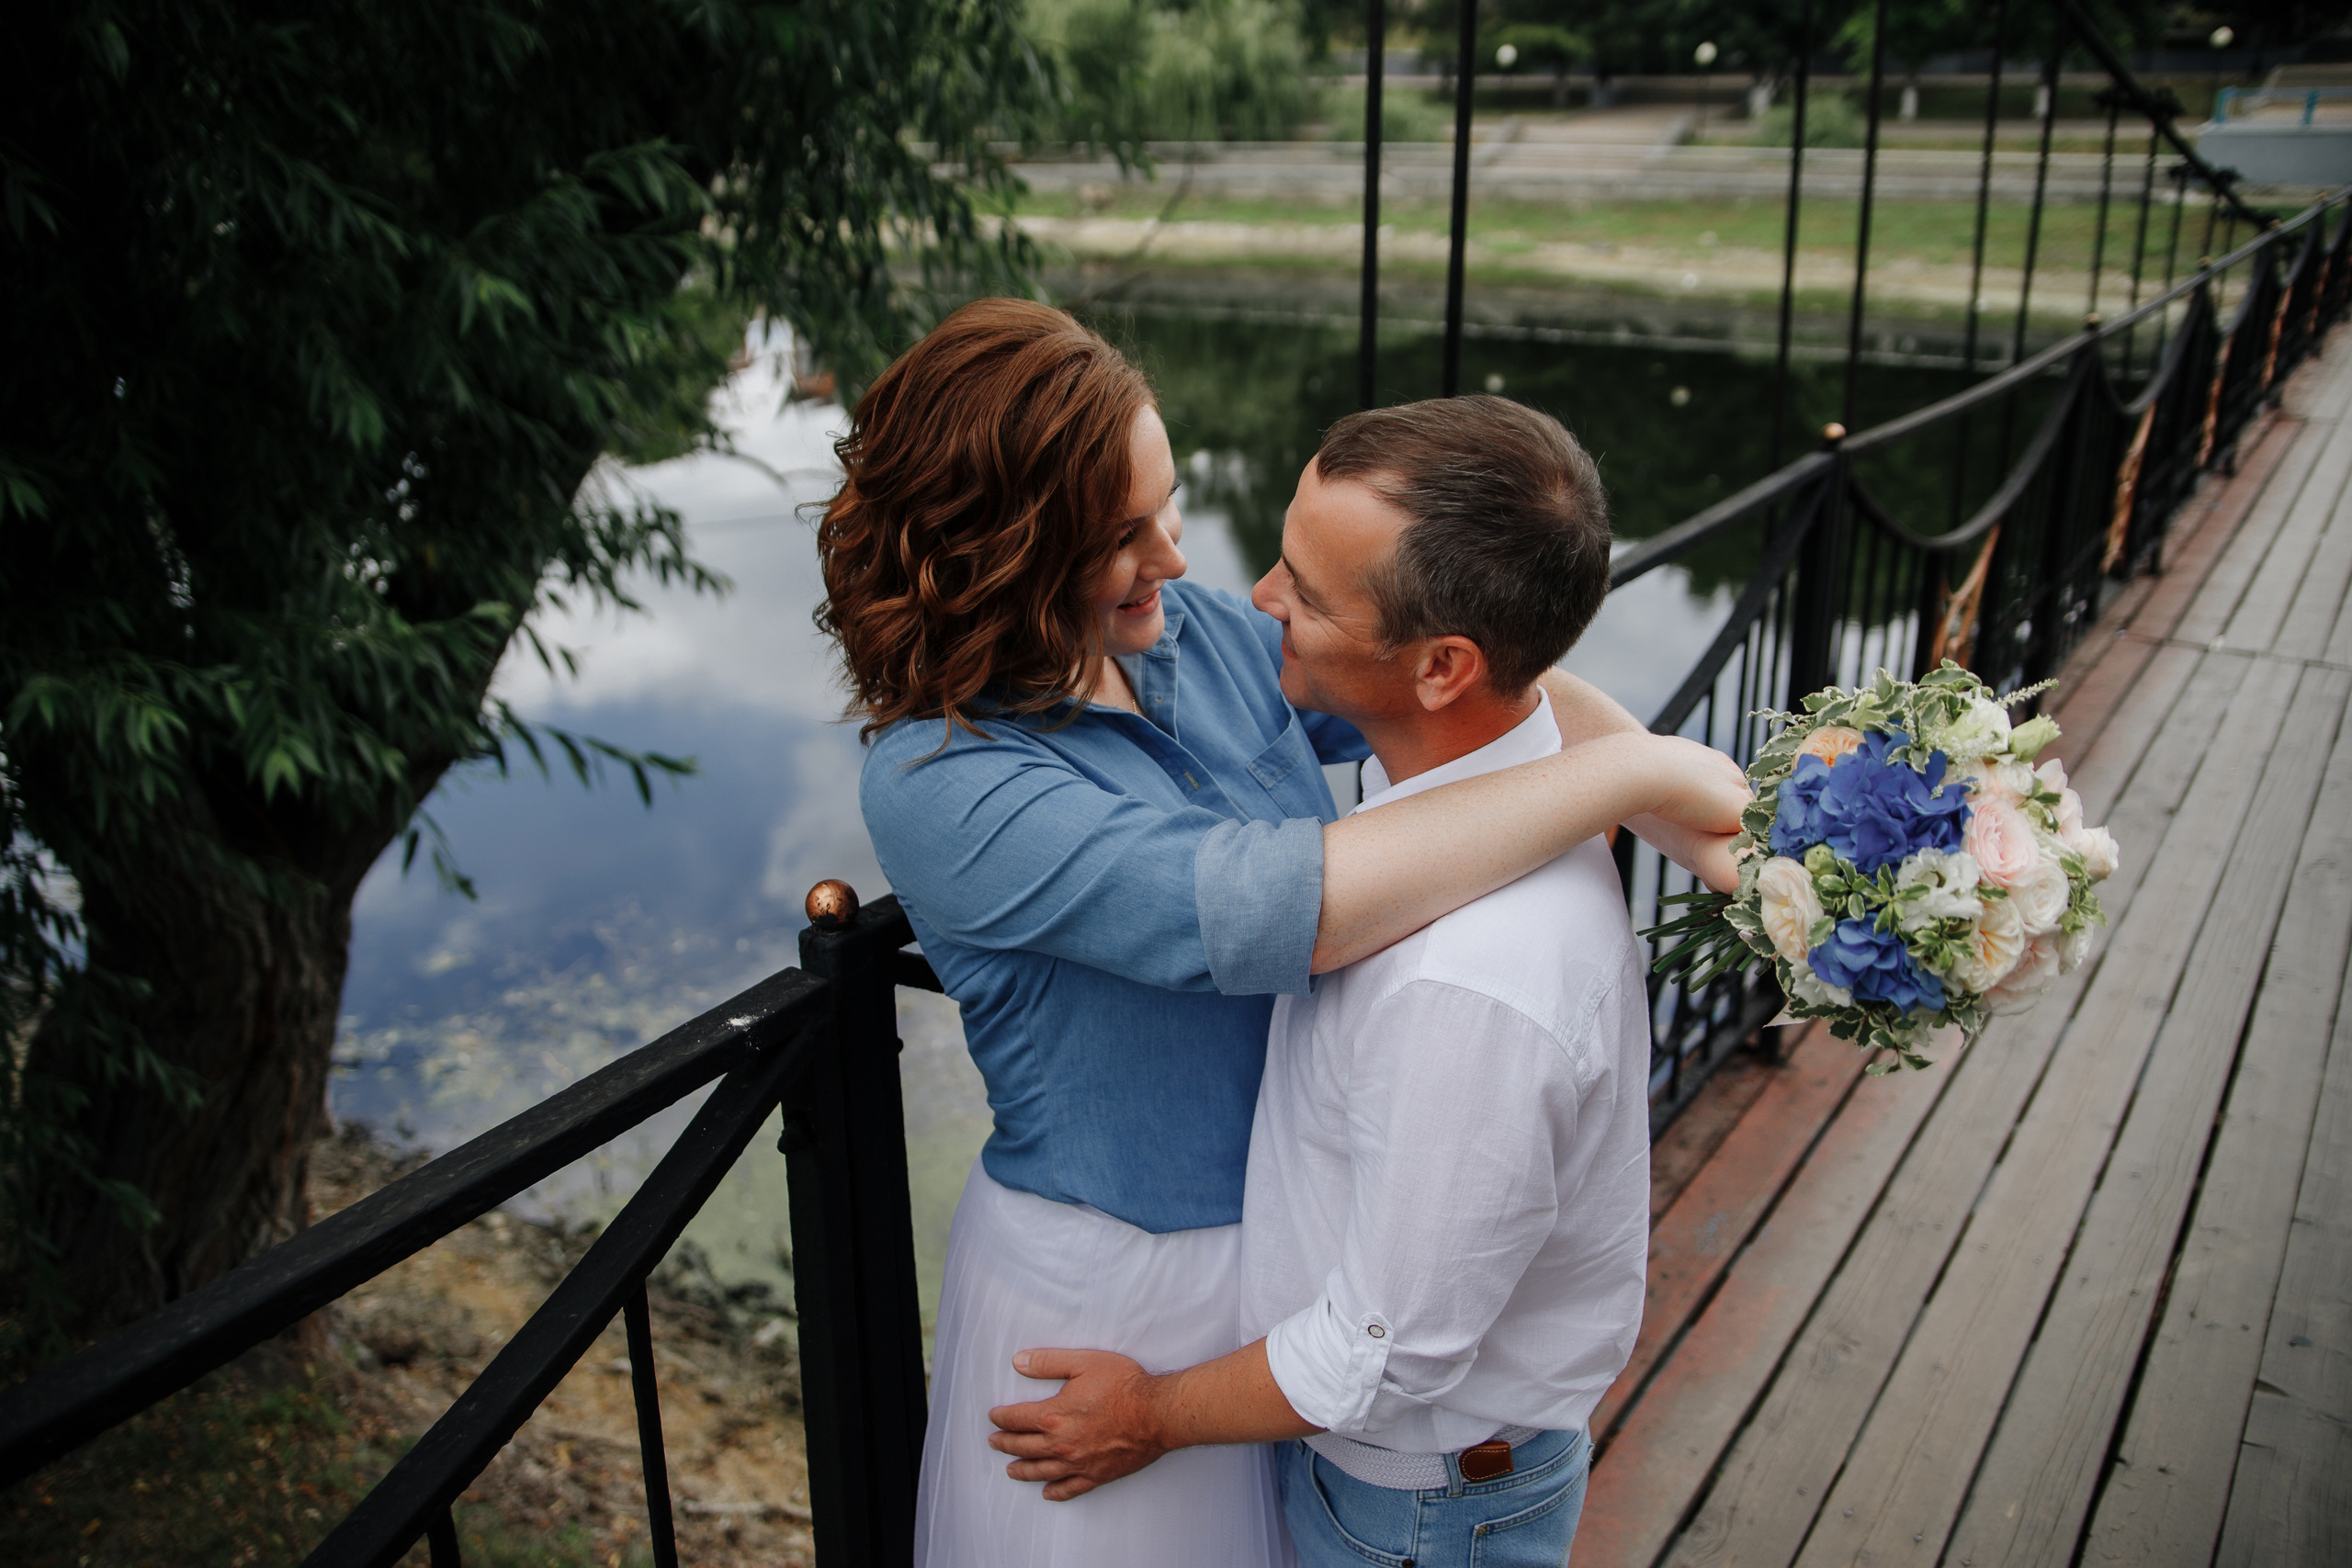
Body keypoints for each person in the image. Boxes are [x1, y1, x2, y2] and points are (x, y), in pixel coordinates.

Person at [818, 300, 1742, 1567]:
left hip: (1306, 1295)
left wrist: (1711, 817)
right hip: (1122, 1299)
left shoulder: (1180, 633)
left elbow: (1459, 671)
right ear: (1003, 555)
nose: (1178, 558)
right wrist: (1640, 780)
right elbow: (1281, 905)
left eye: (1168, 502)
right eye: (1122, 535)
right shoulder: (945, 778)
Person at [985, 396, 1656, 1567]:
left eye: (1306, 586)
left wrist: (1150, 1415)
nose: (1255, 600)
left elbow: (1383, 1350)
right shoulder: (1500, 818)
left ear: (1443, 666)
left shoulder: (1473, 974)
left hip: (1414, 1510)